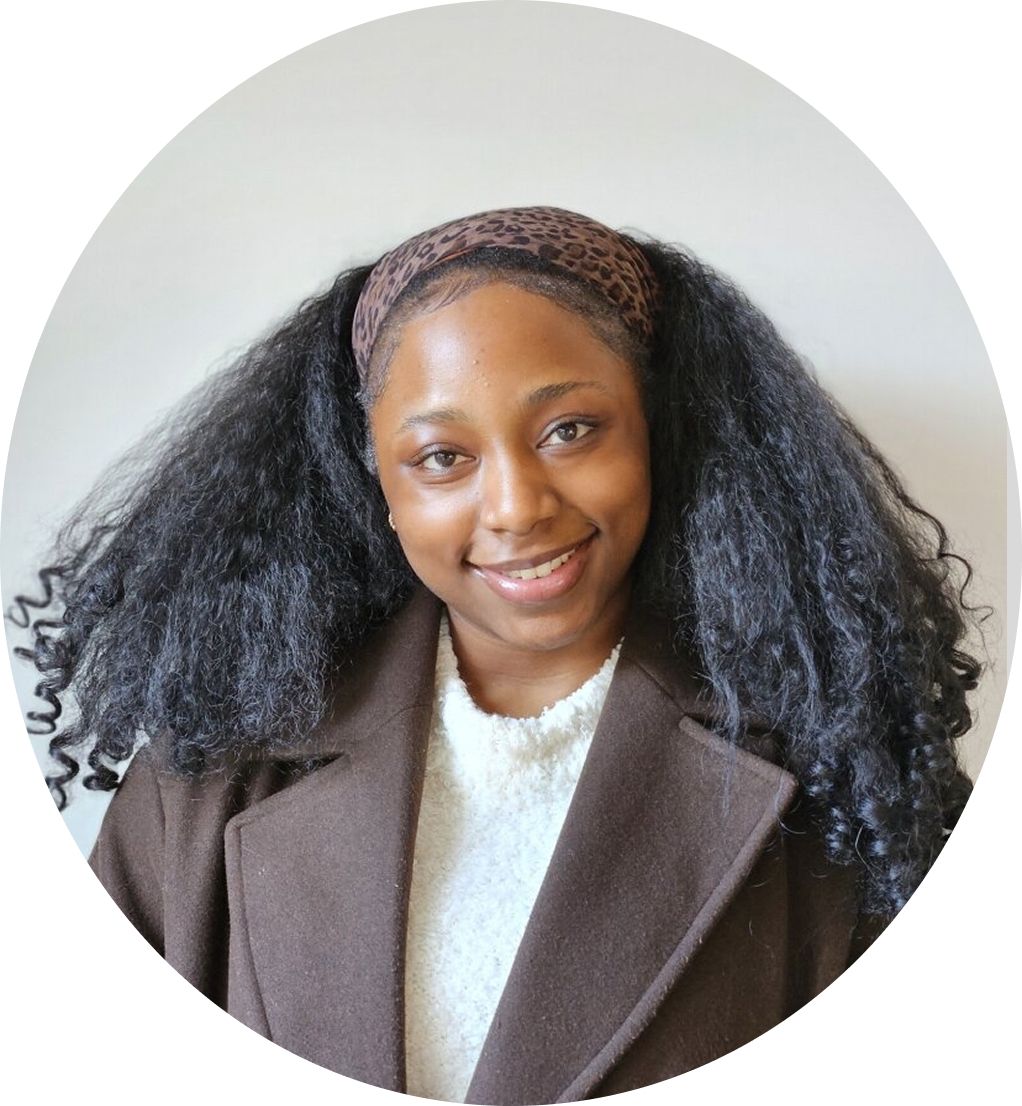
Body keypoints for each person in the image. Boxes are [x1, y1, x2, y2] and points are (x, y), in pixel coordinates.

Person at [10, 206, 982, 1104]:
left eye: (569, 430)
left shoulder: (854, 781)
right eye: (442, 456)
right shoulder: (207, 774)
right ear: (374, 483)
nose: (516, 507)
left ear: (659, 432)